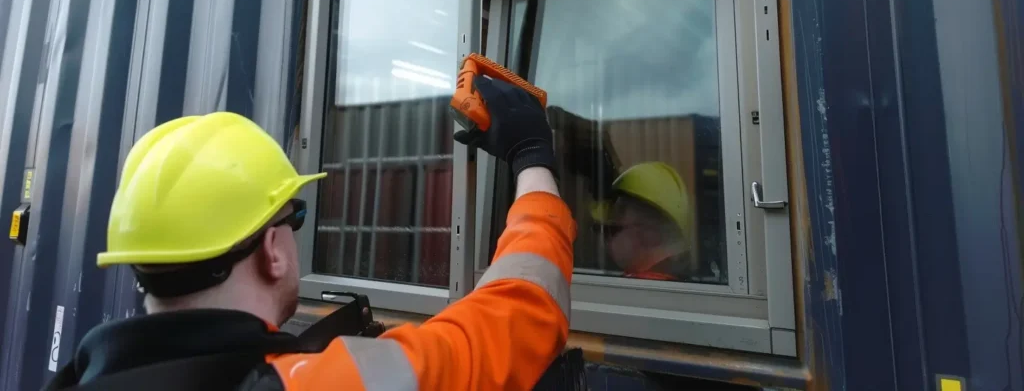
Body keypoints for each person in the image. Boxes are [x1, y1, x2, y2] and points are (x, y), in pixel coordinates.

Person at [46, 76, 574, 391]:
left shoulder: (76, 377)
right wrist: (531, 158)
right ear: (272, 250)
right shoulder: (316, 384)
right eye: (292, 218)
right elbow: (518, 316)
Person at [590, 162, 693, 281]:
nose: (605, 241)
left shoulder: (635, 290)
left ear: (651, 235)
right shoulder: (674, 286)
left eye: (612, 231)